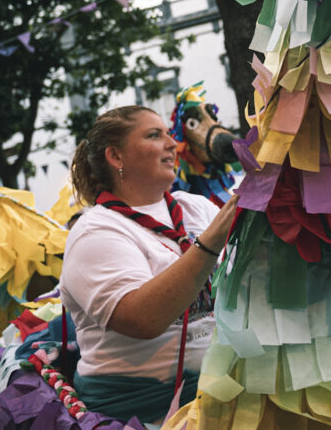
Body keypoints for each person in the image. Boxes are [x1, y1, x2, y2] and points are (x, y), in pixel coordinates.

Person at [62, 105, 237, 423]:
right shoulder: (95, 232)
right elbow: (143, 319)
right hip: (146, 414)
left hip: (227, 392)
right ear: (116, 157)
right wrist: (211, 240)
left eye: (168, 134)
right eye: (154, 135)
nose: (172, 143)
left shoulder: (195, 207)